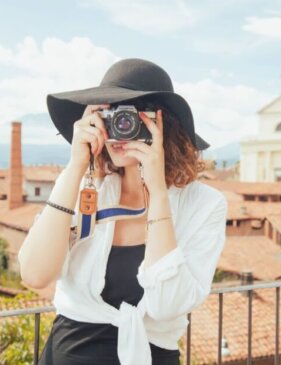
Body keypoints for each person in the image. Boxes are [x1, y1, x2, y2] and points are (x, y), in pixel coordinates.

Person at [18, 58, 228, 365]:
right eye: (109, 114)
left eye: (130, 116)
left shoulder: (204, 204)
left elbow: (166, 305)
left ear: (162, 125)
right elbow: (35, 274)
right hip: (68, 353)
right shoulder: (86, 187)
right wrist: (76, 165)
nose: (120, 128)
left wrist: (156, 190)